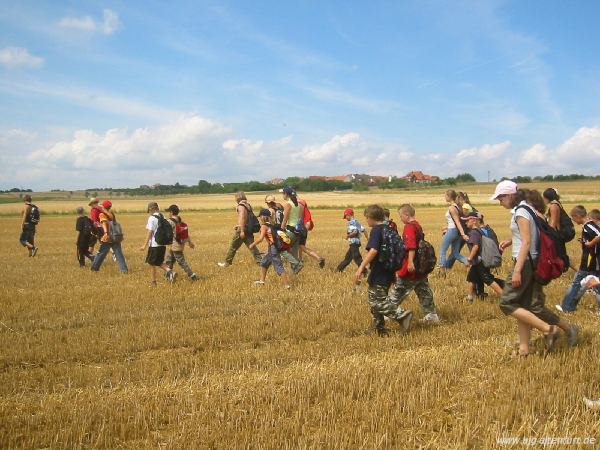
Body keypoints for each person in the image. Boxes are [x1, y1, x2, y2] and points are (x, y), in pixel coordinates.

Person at [491, 181, 577, 356]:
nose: (500, 202)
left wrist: (517, 270)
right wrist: (511, 240)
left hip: (525, 263)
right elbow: (530, 235)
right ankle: (524, 349)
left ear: (509, 195)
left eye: (500, 198)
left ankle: (548, 330)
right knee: (527, 304)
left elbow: (527, 241)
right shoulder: (528, 208)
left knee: (507, 302)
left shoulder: (521, 211)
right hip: (534, 260)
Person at [354, 205, 413, 336]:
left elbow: (373, 250)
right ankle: (380, 329)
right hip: (388, 270)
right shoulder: (389, 229)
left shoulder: (376, 230)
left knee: (375, 301)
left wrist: (361, 266)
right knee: (377, 299)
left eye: (366, 218)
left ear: (371, 218)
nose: (366, 221)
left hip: (379, 271)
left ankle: (401, 315)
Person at [388, 204, 439, 323]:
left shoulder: (409, 227)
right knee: (423, 290)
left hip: (410, 266)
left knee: (398, 290)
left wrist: (410, 262)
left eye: (400, 216)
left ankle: (388, 312)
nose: (400, 218)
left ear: (406, 215)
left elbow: (411, 246)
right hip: (421, 266)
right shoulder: (417, 225)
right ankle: (431, 315)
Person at [556, 205, 600, 312]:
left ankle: (566, 307)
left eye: (573, 218)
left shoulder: (588, 225)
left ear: (578, 216)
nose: (573, 221)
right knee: (596, 285)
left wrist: (590, 244)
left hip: (589, 261)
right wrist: (585, 241)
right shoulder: (588, 226)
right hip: (593, 260)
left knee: (577, 283)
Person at [464, 211, 504, 302]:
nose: (465, 222)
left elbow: (476, 246)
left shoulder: (474, 232)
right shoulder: (481, 231)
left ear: (473, 221)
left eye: (467, 220)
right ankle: (469, 298)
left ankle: (504, 296)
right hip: (479, 261)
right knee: (472, 278)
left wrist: (469, 258)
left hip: (479, 261)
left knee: (487, 279)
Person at [218, 192, 263, 267]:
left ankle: (226, 263)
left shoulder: (241, 206)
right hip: (248, 229)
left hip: (243, 230)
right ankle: (260, 262)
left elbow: (242, 217)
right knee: (252, 246)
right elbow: (247, 218)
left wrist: (241, 230)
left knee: (233, 246)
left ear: (237, 198)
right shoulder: (248, 205)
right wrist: (239, 225)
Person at [248, 209, 291, 288]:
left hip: (273, 248)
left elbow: (260, 239)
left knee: (278, 266)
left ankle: (287, 285)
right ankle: (262, 281)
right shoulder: (272, 225)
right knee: (264, 263)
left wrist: (252, 244)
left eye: (260, 216)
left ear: (262, 217)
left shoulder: (264, 226)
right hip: (273, 248)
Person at [140, 202, 176, 285]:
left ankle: (154, 281)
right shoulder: (162, 216)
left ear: (151, 209)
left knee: (151, 263)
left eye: (149, 210)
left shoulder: (152, 218)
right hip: (162, 244)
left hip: (154, 244)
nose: (149, 212)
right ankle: (170, 272)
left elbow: (150, 232)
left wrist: (144, 245)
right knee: (158, 262)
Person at [90, 201, 128, 273]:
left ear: (103, 207)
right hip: (115, 236)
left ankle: (94, 269)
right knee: (119, 254)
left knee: (101, 253)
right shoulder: (111, 214)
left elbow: (104, 223)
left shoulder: (102, 214)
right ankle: (124, 269)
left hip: (108, 236)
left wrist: (105, 233)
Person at [165, 205, 198, 281]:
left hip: (174, 245)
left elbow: (167, 234)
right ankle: (168, 274)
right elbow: (186, 233)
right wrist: (190, 242)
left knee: (181, 261)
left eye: (169, 212)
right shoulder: (180, 220)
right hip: (180, 243)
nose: (168, 214)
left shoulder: (170, 222)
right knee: (169, 259)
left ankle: (192, 275)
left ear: (171, 212)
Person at [439, 189, 469, 274]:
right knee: (455, 253)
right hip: (455, 231)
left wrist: (463, 234)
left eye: (445, 195)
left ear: (449, 197)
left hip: (452, 231)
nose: (444, 197)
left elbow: (457, 222)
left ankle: (442, 271)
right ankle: (468, 262)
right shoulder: (457, 207)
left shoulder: (452, 208)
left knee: (442, 250)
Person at [279, 187, 304, 274]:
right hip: (298, 232)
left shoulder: (288, 204)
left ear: (286, 194)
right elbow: (300, 220)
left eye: (283, 193)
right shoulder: (300, 205)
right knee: (294, 254)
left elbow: (285, 220)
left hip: (290, 231)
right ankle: (294, 275)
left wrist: (280, 231)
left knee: (281, 249)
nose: (282, 195)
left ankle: (297, 264)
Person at [336, 208, 369, 273]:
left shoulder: (351, 223)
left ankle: (365, 271)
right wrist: (368, 238)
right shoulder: (357, 222)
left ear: (349, 215)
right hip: (355, 243)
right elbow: (364, 230)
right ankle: (339, 270)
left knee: (357, 258)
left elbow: (355, 232)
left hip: (353, 243)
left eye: (346, 216)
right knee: (347, 258)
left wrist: (348, 236)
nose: (346, 218)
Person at [297, 197, 326, 268]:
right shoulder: (305, 209)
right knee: (300, 246)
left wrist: (302, 230)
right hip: (303, 229)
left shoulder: (300, 208)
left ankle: (318, 258)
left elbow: (307, 222)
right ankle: (300, 260)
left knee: (300, 246)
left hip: (301, 228)